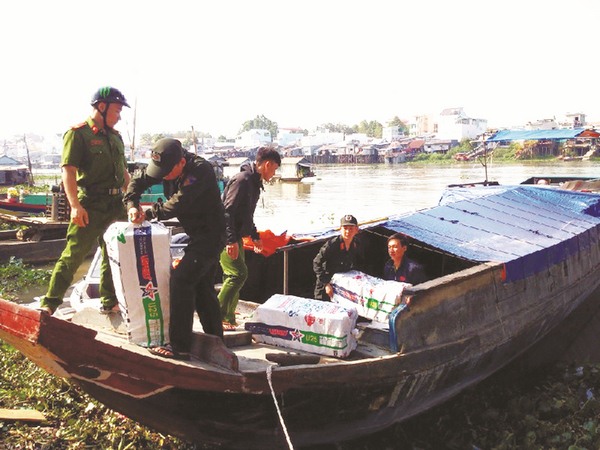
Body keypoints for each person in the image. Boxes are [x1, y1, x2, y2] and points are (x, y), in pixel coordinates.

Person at [125, 138, 226, 359]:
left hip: (211, 235)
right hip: (195, 234)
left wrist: (149, 213)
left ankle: (179, 347)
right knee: (202, 288)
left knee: (181, 279)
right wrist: (132, 204)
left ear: (181, 162)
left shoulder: (200, 170)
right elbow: (137, 180)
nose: (161, 176)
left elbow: (178, 203)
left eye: (166, 172)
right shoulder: (165, 166)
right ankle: (217, 341)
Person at [38, 86, 131, 315]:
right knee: (74, 254)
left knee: (114, 253)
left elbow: (124, 174)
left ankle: (109, 301)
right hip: (90, 204)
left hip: (115, 205)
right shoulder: (78, 134)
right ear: (102, 107)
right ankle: (49, 305)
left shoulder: (115, 137)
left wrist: (130, 201)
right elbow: (68, 172)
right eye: (117, 111)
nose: (119, 117)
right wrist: (75, 206)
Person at [219, 147, 281, 330]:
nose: (274, 173)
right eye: (275, 168)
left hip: (236, 235)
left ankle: (228, 317)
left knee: (232, 276)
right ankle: (218, 314)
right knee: (238, 274)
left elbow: (246, 214)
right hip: (224, 235)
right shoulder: (243, 180)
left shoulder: (254, 182)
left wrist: (255, 236)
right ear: (267, 164)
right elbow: (227, 212)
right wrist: (230, 241)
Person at [313, 214, 367, 301]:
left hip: (343, 284)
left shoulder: (357, 244)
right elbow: (316, 262)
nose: (348, 231)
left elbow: (360, 263)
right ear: (340, 229)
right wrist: (326, 284)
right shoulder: (332, 244)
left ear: (356, 230)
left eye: (351, 228)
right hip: (327, 283)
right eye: (345, 228)